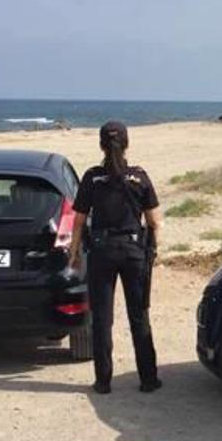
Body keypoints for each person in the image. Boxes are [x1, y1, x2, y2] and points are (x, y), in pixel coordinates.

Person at [69, 120, 162, 394]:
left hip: (101, 250)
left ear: (101, 145)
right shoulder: (139, 177)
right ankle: (148, 378)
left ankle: (103, 381)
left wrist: (74, 252)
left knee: (102, 318)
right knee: (139, 316)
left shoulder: (93, 177)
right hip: (133, 251)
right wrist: (154, 252)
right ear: (127, 143)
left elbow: (78, 221)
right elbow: (155, 222)